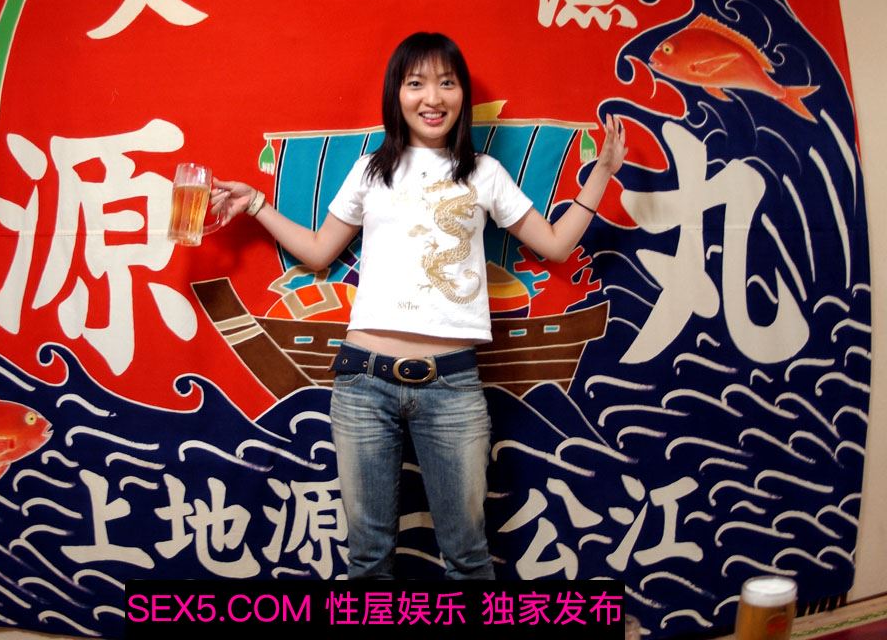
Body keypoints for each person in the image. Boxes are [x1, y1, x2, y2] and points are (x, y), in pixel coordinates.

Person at [209, 32, 626, 579]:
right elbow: (317, 252)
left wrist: (601, 175)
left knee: (468, 556)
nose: (433, 97)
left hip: (452, 385)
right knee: (368, 560)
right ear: (397, 94)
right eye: (416, 83)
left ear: (462, 95)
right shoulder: (370, 171)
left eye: (446, 83)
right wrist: (256, 204)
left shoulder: (484, 174)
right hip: (363, 383)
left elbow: (554, 245)